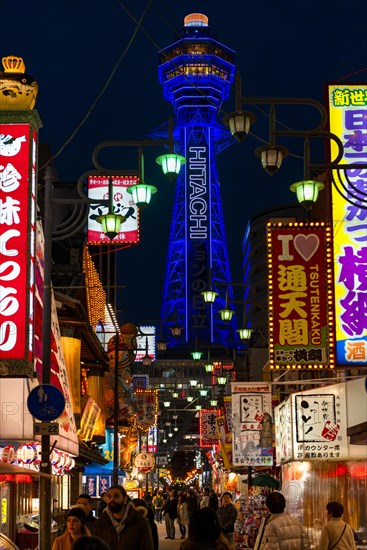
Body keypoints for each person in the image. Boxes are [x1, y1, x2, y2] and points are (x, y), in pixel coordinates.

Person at [94, 484, 154, 550]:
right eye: (109, 496)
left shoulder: (140, 523)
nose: (112, 499)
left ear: (125, 499)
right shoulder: (101, 524)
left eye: (116, 496)